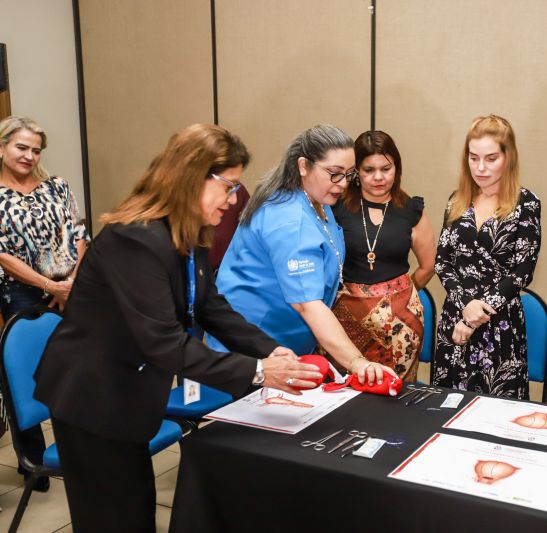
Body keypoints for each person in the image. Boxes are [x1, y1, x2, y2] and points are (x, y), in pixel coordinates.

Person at [34, 124, 323, 531]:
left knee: (134, 507)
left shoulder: (187, 232)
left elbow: (210, 306)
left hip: (128, 393)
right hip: (93, 396)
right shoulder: (134, 239)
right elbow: (163, 341)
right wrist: (259, 372)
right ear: (193, 176)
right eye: (228, 185)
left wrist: (268, 350)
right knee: (113, 517)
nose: (234, 197)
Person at [209, 125, 395, 385]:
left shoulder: (316, 200)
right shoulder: (289, 219)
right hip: (252, 349)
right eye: (334, 174)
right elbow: (307, 304)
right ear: (304, 166)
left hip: (288, 346)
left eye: (348, 175)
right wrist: (356, 362)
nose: (342, 184)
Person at [0, 115, 89, 492]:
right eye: (22, 147)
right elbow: (1, 253)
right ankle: (34, 462)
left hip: (68, 289)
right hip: (19, 292)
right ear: (2, 146)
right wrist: (45, 284)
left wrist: (68, 285)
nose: (30, 156)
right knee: (25, 375)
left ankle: (80, 449)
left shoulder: (57, 186)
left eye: (36, 149)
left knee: (74, 369)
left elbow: (79, 233)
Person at [433, 115, 541, 399]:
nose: (480, 167)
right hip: (454, 321)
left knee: (498, 416)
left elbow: (522, 270)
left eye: (491, 158)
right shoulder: (456, 200)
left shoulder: (526, 203)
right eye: (473, 157)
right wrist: (464, 306)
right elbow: (442, 263)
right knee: (447, 410)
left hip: (500, 324)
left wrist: (475, 315)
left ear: (508, 158)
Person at [331, 131, 436, 382]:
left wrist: (399, 296)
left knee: (395, 395)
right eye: (368, 170)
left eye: (386, 168)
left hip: (400, 322)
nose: (378, 177)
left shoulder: (411, 209)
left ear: (396, 168)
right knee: (345, 392)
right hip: (345, 318)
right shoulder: (337, 207)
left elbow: (428, 265)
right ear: (356, 171)